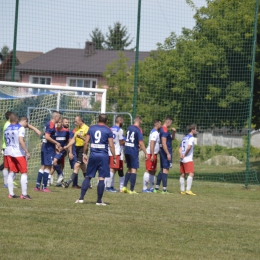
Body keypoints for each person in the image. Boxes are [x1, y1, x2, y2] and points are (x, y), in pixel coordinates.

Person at [75, 113, 116, 205]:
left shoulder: (92, 128)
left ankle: (81, 199)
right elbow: (111, 145)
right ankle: (99, 201)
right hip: (103, 156)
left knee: (88, 176)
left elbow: (86, 142)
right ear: (107, 121)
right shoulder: (108, 130)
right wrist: (114, 156)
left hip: (93, 155)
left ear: (98, 119)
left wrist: (84, 154)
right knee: (101, 178)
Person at [2, 111, 41, 188]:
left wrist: (35, 129)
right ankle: (23, 191)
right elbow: (20, 140)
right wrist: (26, 151)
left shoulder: (9, 126)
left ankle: (9, 187)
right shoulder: (16, 127)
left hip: (8, 149)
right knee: (22, 170)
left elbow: (24, 125)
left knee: (10, 168)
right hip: (15, 151)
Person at [34, 110, 61, 192]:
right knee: (48, 166)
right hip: (48, 148)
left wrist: (55, 146)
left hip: (46, 147)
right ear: (55, 117)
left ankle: (37, 186)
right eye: (59, 118)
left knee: (43, 166)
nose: (59, 119)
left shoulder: (49, 124)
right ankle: (44, 187)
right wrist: (57, 143)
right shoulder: (51, 125)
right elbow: (47, 137)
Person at [122, 116, 148, 194]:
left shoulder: (129, 127)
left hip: (127, 149)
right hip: (133, 151)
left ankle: (124, 187)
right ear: (140, 121)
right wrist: (145, 152)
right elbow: (141, 142)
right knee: (134, 169)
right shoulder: (138, 130)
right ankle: (132, 190)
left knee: (129, 168)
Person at [61, 116, 89, 188]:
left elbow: (89, 140)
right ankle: (88, 183)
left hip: (82, 149)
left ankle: (68, 183)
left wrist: (82, 137)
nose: (75, 123)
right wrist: (67, 146)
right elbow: (73, 139)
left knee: (76, 166)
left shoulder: (86, 128)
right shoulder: (77, 128)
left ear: (80, 121)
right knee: (83, 167)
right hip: (77, 148)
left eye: (76, 121)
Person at [154, 116, 176, 194]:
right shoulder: (164, 130)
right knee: (165, 169)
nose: (171, 125)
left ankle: (156, 188)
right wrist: (168, 153)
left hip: (163, 152)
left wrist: (174, 132)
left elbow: (171, 138)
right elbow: (163, 143)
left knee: (162, 170)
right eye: (171, 123)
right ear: (168, 122)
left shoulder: (165, 130)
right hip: (165, 152)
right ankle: (164, 189)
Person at [105, 116, 125, 192]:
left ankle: (111, 186)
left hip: (109, 151)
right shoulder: (120, 130)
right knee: (112, 169)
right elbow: (120, 142)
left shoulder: (110, 129)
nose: (123, 123)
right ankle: (108, 187)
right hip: (115, 152)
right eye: (122, 121)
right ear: (119, 121)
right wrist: (126, 142)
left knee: (114, 169)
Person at [48, 118, 69, 185]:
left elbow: (68, 141)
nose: (58, 124)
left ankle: (59, 177)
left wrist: (66, 149)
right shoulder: (54, 131)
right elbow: (51, 140)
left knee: (58, 163)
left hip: (62, 151)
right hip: (55, 150)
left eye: (60, 122)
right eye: (57, 122)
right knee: (55, 164)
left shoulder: (66, 131)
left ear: (62, 123)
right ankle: (56, 177)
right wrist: (55, 147)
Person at [142, 119, 161, 192]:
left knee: (154, 170)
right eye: (160, 124)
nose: (160, 125)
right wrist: (152, 155)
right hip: (150, 153)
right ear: (156, 124)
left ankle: (151, 187)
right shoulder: (155, 133)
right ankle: (144, 188)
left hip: (154, 153)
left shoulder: (154, 132)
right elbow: (152, 143)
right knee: (148, 170)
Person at [62, 117, 80, 188]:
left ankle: (75, 184)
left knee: (77, 167)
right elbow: (70, 142)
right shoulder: (73, 131)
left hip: (78, 152)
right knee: (75, 167)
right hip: (73, 152)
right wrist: (70, 152)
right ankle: (73, 184)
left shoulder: (78, 130)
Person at [179, 124, 197, 196]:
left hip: (182, 159)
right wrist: (185, 154)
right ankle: (188, 190)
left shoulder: (184, 137)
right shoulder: (191, 138)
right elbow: (189, 147)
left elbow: (180, 148)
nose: (196, 130)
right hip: (188, 158)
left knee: (182, 174)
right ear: (192, 130)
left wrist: (181, 155)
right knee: (191, 173)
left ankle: (182, 190)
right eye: (195, 129)